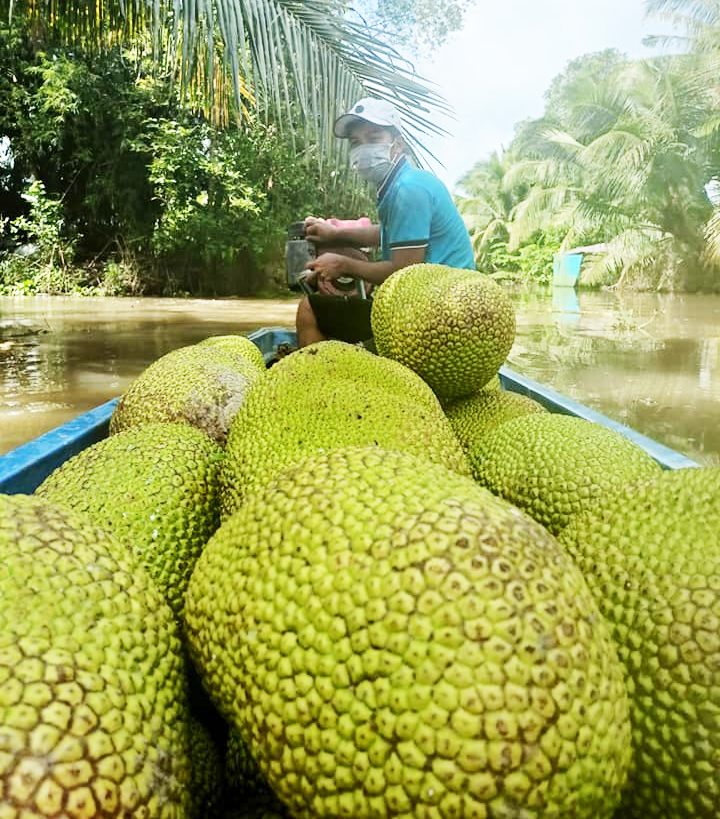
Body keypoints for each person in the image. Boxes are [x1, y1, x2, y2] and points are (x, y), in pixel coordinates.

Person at [295, 96, 476, 348]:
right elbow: (392, 232)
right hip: (436, 305)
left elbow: (403, 271)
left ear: (398, 144)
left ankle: (311, 381)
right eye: (356, 142)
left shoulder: (408, 190)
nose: (364, 148)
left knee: (309, 310)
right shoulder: (403, 184)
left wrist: (342, 264)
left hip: (441, 316)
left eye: (374, 138)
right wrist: (334, 235)